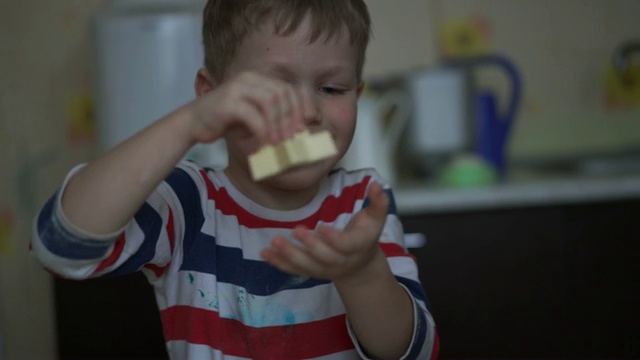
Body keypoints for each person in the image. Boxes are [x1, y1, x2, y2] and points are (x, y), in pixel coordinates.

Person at [31, 1, 438, 359]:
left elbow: (412, 352)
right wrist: (190, 123)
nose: (310, 112)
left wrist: (362, 272)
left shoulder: (362, 202)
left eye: (331, 88)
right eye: (276, 90)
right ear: (212, 96)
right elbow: (60, 248)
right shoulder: (189, 202)